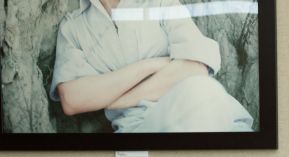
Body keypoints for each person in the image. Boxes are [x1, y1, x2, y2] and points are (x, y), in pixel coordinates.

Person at [50, 0, 253, 133]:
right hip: (141, 128)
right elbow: (73, 99)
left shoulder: (160, 3)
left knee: (202, 90)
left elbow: (196, 67)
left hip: (213, 115)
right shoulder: (73, 27)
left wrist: (117, 101)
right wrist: (149, 66)